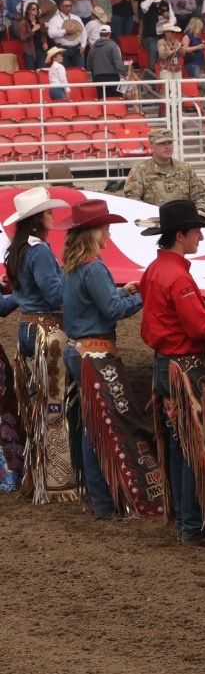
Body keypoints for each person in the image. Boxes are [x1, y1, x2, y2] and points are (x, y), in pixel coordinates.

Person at [138, 197, 205, 544]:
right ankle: (192, 526)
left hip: (164, 364)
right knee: (193, 447)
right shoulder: (177, 276)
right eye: (196, 232)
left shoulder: (155, 270)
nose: (200, 239)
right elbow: (200, 329)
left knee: (178, 446)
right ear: (181, 235)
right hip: (184, 369)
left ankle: (184, 522)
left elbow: (179, 319)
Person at [61, 198, 162, 521]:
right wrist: (143, 294)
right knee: (107, 427)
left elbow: (96, 303)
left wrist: (123, 291)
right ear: (94, 232)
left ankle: (99, 500)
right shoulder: (94, 267)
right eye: (105, 228)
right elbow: (113, 311)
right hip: (97, 354)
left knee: (93, 427)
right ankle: (105, 503)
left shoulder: (75, 267)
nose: (108, 232)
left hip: (79, 350)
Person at [5, 187, 78, 504]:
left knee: (37, 402)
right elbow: (56, 295)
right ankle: (58, 480)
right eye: (49, 212)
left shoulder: (19, 250)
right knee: (55, 402)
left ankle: (39, 475)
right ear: (38, 219)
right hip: (47, 331)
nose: (53, 216)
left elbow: (24, 293)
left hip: (27, 328)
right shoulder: (40, 252)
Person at [122, 125, 205, 211]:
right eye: (162, 143)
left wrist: (200, 209)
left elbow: (200, 194)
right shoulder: (139, 170)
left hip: (183, 221)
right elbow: (132, 199)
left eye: (170, 143)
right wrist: (151, 213)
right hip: (154, 221)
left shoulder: (185, 168)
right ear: (151, 146)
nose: (167, 147)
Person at [86, 25, 123, 97]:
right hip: (112, 78)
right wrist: (124, 73)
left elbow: (89, 66)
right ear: (109, 34)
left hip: (97, 78)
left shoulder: (93, 48)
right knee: (115, 101)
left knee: (103, 101)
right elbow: (118, 63)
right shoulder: (113, 45)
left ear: (100, 34)